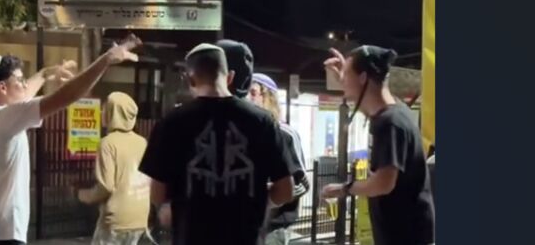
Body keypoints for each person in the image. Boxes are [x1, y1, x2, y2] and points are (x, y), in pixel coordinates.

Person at [0, 35, 143, 245]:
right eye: (19, 80)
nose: (24, 85)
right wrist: (106, 59)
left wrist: (46, 74)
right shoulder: (6, 117)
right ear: (2, 88)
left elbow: (24, 94)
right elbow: (66, 96)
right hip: (0, 235)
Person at [139, 43, 296, 245]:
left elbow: (158, 194)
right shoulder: (262, 121)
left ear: (189, 79)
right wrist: (257, 205)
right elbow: (286, 190)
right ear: (229, 77)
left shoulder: (171, 123)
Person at [321, 46, 435, 245]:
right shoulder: (392, 113)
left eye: (347, 75)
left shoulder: (391, 123)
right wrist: (346, 80)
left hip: (407, 237)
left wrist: (344, 189)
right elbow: (369, 104)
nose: (342, 80)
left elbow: (383, 183)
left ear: (363, 78)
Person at [78, 92, 151, 245]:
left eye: (106, 108)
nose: (102, 112)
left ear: (114, 113)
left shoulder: (107, 143)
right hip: (140, 217)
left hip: (116, 219)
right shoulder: (142, 142)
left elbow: (106, 186)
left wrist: (87, 196)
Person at [249, 73, 310, 245]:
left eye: (253, 93)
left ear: (268, 97)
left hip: (273, 228)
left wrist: (273, 194)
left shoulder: (285, 133)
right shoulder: (245, 133)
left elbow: (302, 183)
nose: (248, 99)